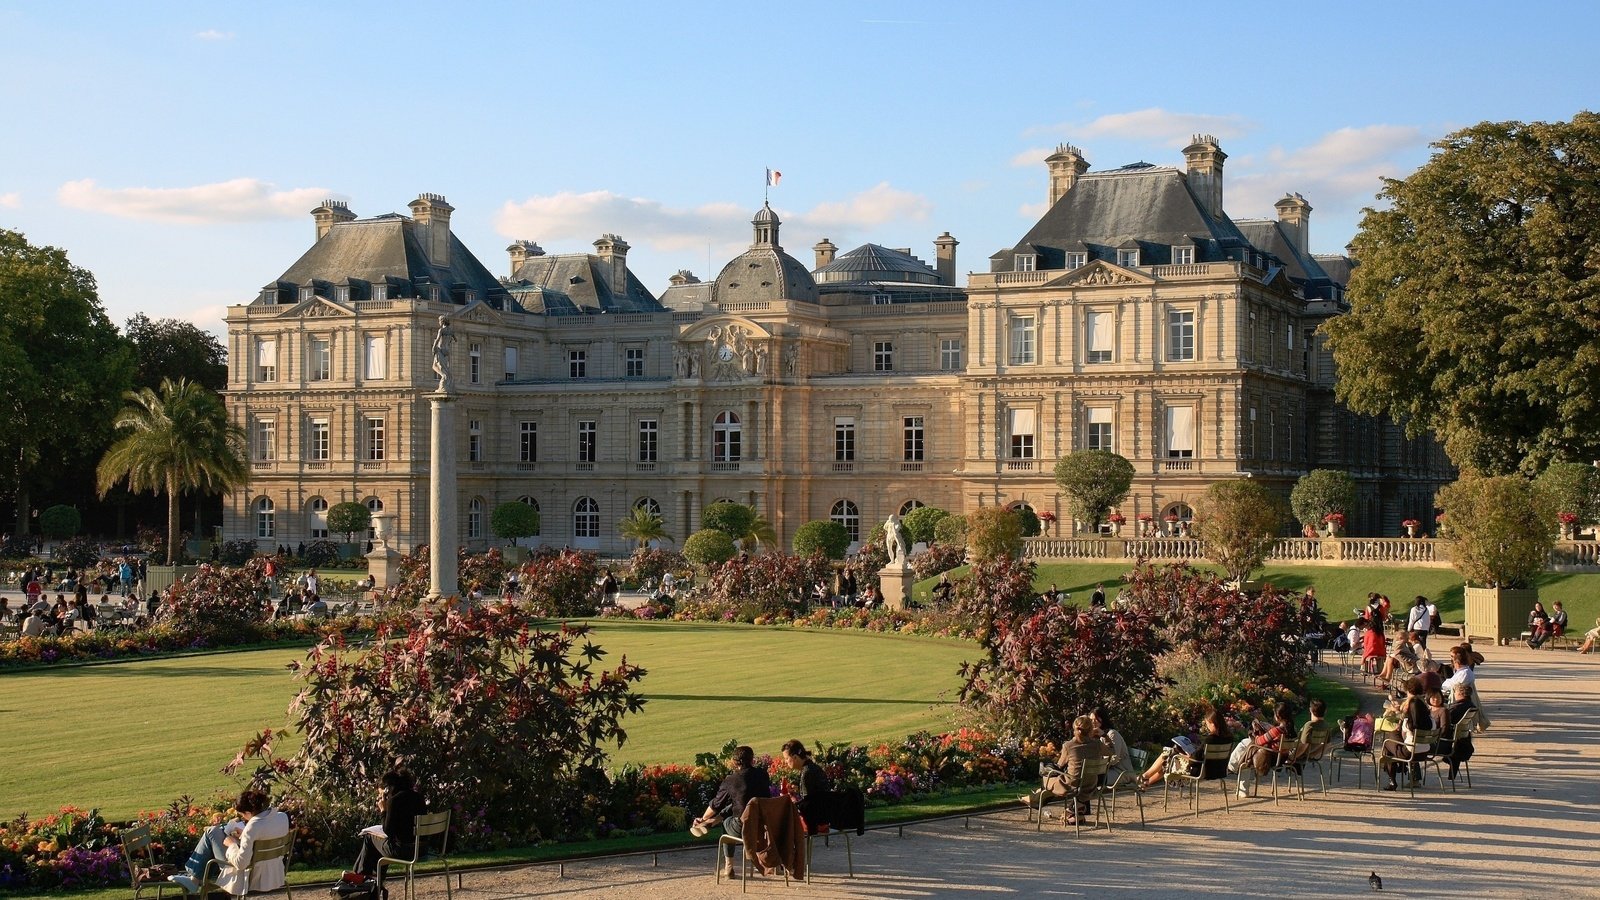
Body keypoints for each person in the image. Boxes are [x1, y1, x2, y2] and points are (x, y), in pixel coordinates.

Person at [168, 789, 290, 895]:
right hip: (275, 871)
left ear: (248, 812)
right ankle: (194, 879)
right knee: (214, 832)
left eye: (243, 815)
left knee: (211, 832)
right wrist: (243, 837)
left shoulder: (253, 826)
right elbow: (266, 834)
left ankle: (194, 880)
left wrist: (231, 845)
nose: (244, 818)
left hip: (250, 875)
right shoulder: (281, 817)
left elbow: (241, 863)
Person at [692, 746, 773, 879]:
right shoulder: (763, 774)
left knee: (726, 822)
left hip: (744, 827)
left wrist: (703, 817)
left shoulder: (731, 780)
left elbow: (716, 804)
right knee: (738, 805)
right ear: (752, 760)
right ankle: (713, 821)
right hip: (764, 825)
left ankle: (729, 867)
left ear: (735, 762)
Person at [344, 770, 427, 884]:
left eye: (382, 794)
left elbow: (388, 830)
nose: (382, 797)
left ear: (388, 789)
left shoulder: (394, 801)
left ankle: (362, 879)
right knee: (380, 845)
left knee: (370, 838)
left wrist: (383, 810)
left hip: (403, 851)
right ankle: (371, 880)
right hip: (421, 849)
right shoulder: (418, 797)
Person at [1026, 715, 1109, 824]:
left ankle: (1035, 799)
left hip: (1071, 785)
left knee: (1047, 777)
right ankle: (1074, 812)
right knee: (1081, 777)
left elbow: (1060, 765)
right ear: (1091, 730)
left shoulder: (1068, 746)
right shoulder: (1098, 745)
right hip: (1091, 785)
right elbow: (1112, 751)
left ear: (1074, 729)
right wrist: (1105, 736)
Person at [1135, 708, 1233, 789]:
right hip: (1218, 771)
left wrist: (1186, 756)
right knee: (1169, 760)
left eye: (1207, 723)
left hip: (1201, 771)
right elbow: (1202, 755)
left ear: (1213, 723)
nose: (1207, 726)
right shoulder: (1229, 738)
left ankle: (1144, 776)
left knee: (1168, 754)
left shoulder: (1210, 739)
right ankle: (1146, 783)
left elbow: (1194, 761)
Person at [1381, 678, 1433, 791]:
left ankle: (1392, 779)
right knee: (1393, 739)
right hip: (1425, 752)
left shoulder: (1408, 723)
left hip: (1409, 753)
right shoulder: (1430, 721)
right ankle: (1401, 770)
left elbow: (1403, 736)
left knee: (1388, 742)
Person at [779, 739, 831, 832]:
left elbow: (806, 805)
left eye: (787, 758)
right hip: (826, 814)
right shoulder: (814, 768)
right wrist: (798, 791)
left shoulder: (806, 772)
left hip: (816, 821)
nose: (786, 762)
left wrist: (791, 798)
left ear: (795, 757)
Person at [1438, 682, 1477, 780]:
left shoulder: (1456, 707)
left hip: (1448, 741)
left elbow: (1443, 721)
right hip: (1461, 739)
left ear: (1459, 693)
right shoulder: (1470, 705)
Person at [1093, 707, 1134, 787]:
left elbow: (1114, 759)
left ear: (1103, 719)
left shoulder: (1112, 734)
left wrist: (1099, 766)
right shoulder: (1095, 736)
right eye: (1091, 720)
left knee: (1092, 779)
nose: (1093, 722)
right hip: (1107, 770)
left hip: (1120, 772)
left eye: (1096, 719)